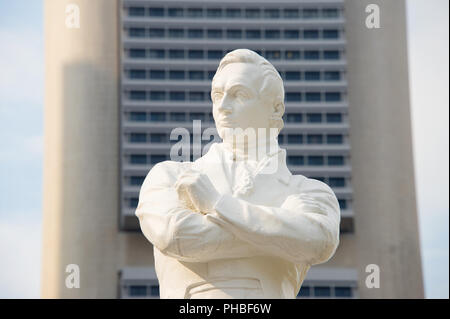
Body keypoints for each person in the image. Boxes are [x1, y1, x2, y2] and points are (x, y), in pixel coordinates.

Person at [135, 49, 340, 299]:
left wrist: (216, 204)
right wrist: (281, 228)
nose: (222, 107)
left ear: (276, 109)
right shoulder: (170, 176)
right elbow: (175, 235)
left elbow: (316, 241)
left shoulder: (309, 191)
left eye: (238, 95)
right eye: (217, 95)